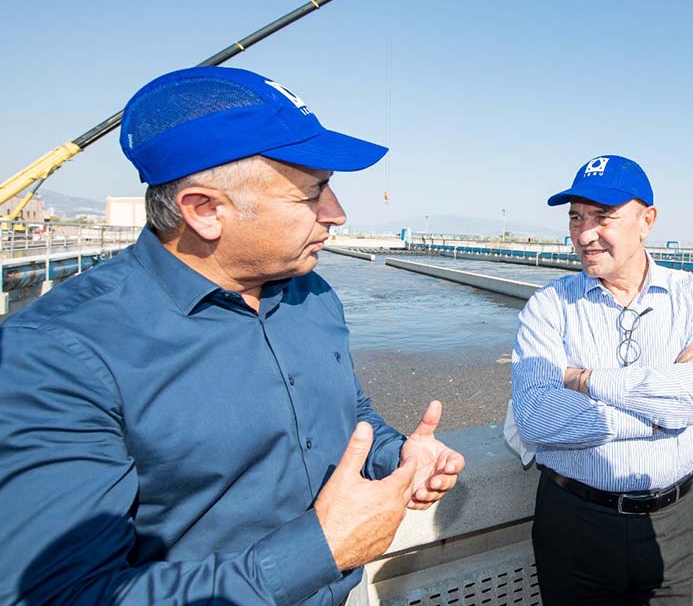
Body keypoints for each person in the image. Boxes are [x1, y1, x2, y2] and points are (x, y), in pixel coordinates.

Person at [0, 67, 465, 605]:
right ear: (205, 211)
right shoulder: (57, 354)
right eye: (313, 192)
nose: (337, 214)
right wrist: (322, 551)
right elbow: (60, 595)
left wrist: (396, 453)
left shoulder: (310, 295)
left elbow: (345, 409)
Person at [511, 155, 693, 605]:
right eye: (576, 218)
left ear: (646, 221)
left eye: (604, 217)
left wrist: (588, 380)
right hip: (575, 525)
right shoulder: (548, 306)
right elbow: (536, 418)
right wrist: (661, 408)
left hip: (677, 525)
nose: (585, 234)